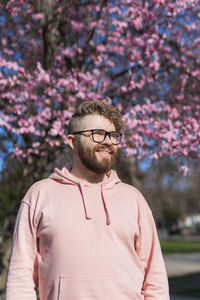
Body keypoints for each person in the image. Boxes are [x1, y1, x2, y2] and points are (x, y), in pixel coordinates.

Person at [6, 100, 170, 300]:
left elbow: (155, 279)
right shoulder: (40, 194)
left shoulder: (133, 199)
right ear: (72, 141)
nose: (108, 141)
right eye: (97, 133)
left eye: (113, 135)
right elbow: (20, 279)